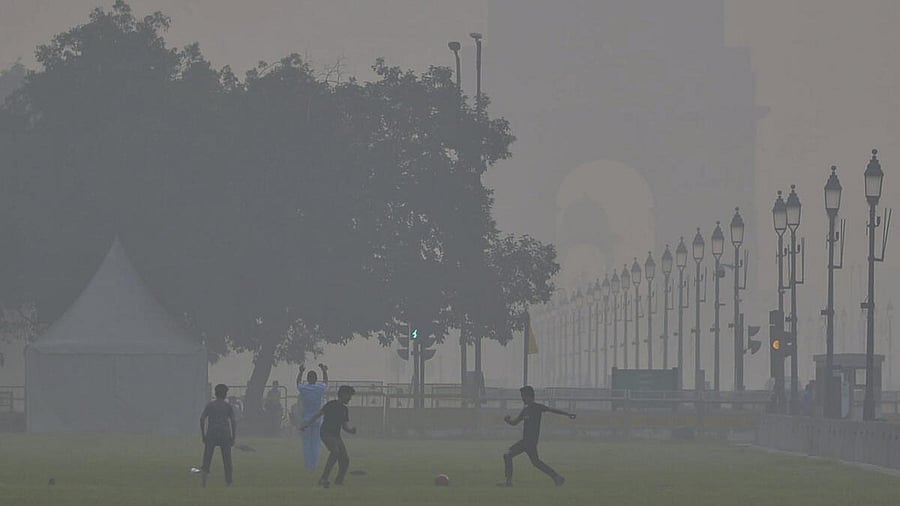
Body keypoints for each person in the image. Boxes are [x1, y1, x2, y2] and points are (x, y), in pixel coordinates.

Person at [498, 385, 575, 488]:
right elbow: (515, 422)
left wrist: (568, 414)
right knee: (536, 462)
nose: (522, 399)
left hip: (530, 441)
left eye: (523, 396)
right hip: (526, 441)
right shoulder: (525, 410)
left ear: (529, 396)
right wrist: (508, 421)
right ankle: (557, 477)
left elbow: (552, 410)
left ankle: (508, 482)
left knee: (508, 455)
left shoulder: (537, 407)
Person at [301, 385, 357, 488]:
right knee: (335, 451)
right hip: (326, 433)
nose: (350, 398)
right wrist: (307, 424)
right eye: (349, 395)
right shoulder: (331, 404)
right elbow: (318, 414)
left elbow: (344, 426)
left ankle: (339, 481)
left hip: (336, 435)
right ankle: (323, 479)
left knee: (345, 459)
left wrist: (351, 431)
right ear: (343, 394)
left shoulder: (344, 409)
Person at [200, 384, 237, 488]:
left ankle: (204, 482)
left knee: (207, 458)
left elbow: (202, 419)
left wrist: (203, 434)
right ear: (225, 394)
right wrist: (233, 436)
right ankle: (229, 482)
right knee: (227, 459)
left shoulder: (210, 405)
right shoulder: (227, 406)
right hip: (224, 433)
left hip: (212, 432)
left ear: (215, 393)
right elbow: (233, 421)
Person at [296, 363, 329, 470]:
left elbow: (298, 383)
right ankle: (314, 465)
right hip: (318, 419)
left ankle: (308, 465)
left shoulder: (304, 388)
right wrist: (324, 371)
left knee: (306, 444)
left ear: (308, 379)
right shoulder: (319, 388)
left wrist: (300, 372)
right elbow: (325, 383)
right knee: (316, 444)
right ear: (315, 379)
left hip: (306, 419)